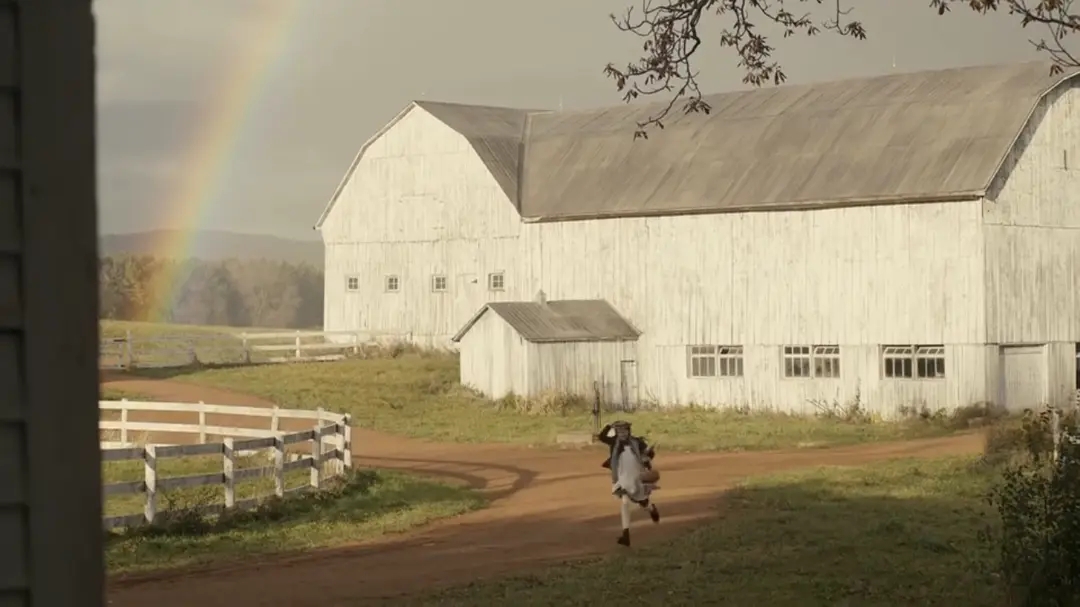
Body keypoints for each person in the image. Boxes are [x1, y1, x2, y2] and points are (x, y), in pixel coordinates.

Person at [597, 420, 660, 547]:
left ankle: (651, 508)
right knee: (625, 502)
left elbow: (648, 455)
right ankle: (626, 534)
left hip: (636, 476)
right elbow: (601, 437)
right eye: (619, 431)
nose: (622, 433)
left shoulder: (637, 442)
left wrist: (648, 455)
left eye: (624, 430)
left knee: (642, 502)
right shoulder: (614, 442)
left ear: (628, 431)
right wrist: (609, 425)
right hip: (622, 477)